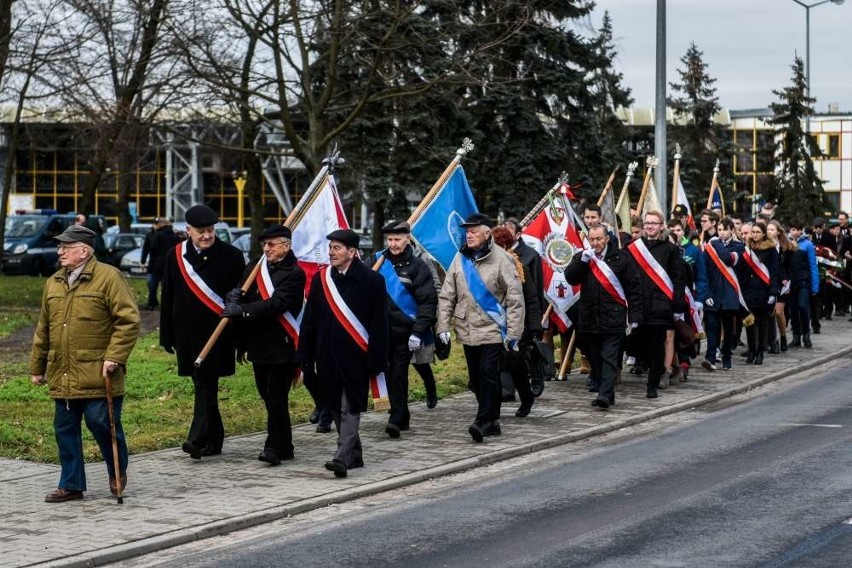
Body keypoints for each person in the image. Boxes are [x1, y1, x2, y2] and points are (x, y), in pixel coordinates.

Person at [30, 225, 140, 502]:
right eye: (60, 247)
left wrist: (115, 356)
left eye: (66, 247)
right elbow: (44, 327)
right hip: (63, 371)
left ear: (83, 250)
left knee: (102, 423)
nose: (60, 252)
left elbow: (128, 321)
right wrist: (37, 366)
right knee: (64, 430)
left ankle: (117, 470)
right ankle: (71, 484)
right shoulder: (54, 282)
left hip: (98, 370)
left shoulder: (108, 277)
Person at [297, 229, 388, 478]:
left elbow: (380, 324)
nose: (331, 253)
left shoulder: (372, 281)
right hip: (326, 355)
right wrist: (304, 353)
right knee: (335, 406)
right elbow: (310, 320)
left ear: (352, 251)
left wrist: (377, 359)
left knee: (350, 407)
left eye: (337, 248)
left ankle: (340, 457)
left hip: (357, 356)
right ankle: (354, 455)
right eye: (330, 248)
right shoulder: (321, 279)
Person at [160, 205, 246, 460]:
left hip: (217, 335)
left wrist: (241, 338)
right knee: (204, 385)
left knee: (205, 384)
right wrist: (166, 335)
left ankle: (196, 439)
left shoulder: (231, 256)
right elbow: (168, 297)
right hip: (186, 334)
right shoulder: (174, 256)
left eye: (210, 230)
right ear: (188, 231)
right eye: (201, 231)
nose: (207, 236)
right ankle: (214, 440)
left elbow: (240, 299)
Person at [437, 213, 525, 442]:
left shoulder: (502, 259)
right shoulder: (460, 259)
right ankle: (493, 420)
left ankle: (483, 419)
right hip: (467, 330)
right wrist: (443, 327)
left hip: (493, 330)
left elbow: (515, 299)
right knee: (476, 380)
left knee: (488, 374)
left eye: (474, 231)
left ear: (487, 233)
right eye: (467, 231)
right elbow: (447, 296)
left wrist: (514, 334)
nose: (469, 235)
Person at [225, 225, 305, 465]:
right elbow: (244, 289)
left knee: (276, 396)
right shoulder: (255, 267)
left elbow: (277, 304)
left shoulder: (294, 273)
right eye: (264, 244)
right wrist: (233, 296)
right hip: (259, 343)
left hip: (282, 344)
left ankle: (273, 448)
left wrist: (243, 310)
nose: (266, 249)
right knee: (268, 396)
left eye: (272, 244)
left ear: (286, 246)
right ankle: (286, 445)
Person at [375, 221, 438, 438]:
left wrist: (418, 331)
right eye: (390, 240)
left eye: (397, 239)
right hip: (381, 331)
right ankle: (401, 414)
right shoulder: (377, 261)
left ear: (407, 239)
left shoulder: (418, 266)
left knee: (398, 374)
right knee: (387, 372)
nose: (393, 244)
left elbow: (428, 301)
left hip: (405, 332)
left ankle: (397, 418)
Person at [565, 225, 637, 409]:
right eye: (592, 239)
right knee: (594, 357)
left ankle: (604, 394)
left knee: (609, 357)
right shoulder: (583, 257)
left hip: (613, 317)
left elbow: (633, 287)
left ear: (607, 238)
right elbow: (571, 278)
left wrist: (634, 315)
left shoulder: (621, 258)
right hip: (589, 318)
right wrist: (582, 261)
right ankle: (607, 392)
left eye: (599, 239)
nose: (595, 243)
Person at [625, 210, 687, 398]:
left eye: (654, 223)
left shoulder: (670, 249)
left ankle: (653, 384)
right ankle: (647, 369)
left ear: (662, 227)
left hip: (661, 306)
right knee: (638, 342)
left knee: (657, 346)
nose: (650, 226)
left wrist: (677, 306)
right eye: (647, 223)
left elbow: (678, 279)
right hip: (639, 304)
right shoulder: (633, 248)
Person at [491, 226, 543, 417]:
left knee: (516, 366)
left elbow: (531, 298)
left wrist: (535, 326)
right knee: (492, 367)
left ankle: (526, 397)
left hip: (518, 325)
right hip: (494, 323)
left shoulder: (520, 267)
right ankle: (491, 406)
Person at [697, 217, 746, 371]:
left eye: (725, 229)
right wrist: (706, 293)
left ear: (732, 230)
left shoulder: (738, 246)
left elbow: (729, 259)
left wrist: (716, 242)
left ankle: (726, 356)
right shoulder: (710, 246)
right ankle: (710, 357)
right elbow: (704, 269)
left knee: (727, 327)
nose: (721, 233)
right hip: (713, 292)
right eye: (719, 230)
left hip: (729, 292)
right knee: (712, 326)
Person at [740, 222, 781, 365]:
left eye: (758, 232)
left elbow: (775, 273)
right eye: (753, 232)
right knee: (750, 323)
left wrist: (773, 292)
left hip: (764, 291)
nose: (755, 234)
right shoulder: (747, 249)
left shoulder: (771, 251)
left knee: (763, 323)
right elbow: (743, 272)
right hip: (749, 291)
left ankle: (760, 352)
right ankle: (751, 350)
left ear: (764, 234)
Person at [787, 219, 819, 348]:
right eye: (793, 229)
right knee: (793, 309)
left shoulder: (808, 245)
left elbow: (813, 265)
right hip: (791, 282)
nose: (795, 232)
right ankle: (796, 336)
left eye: (797, 230)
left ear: (801, 230)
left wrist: (815, 286)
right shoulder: (787, 243)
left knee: (803, 307)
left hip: (803, 281)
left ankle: (806, 334)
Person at [767, 220, 796, 352]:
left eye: (772, 229)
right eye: (767, 229)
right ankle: (771, 340)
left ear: (778, 232)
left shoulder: (786, 247)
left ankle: (783, 336)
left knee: (779, 312)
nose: (769, 232)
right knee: (770, 313)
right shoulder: (765, 246)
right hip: (769, 282)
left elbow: (790, 267)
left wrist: (787, 280)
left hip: (782, 283)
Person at [140, 218, 180, 310]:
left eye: (156, 223)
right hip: (168, 265)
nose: (154, 225)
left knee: (153, 284)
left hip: (156, 265)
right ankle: (164, 304)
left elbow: (152, 249)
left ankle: (152, 303)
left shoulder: (157, 235)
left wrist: (144, 261)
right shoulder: (174, 236)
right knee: (165, 286)